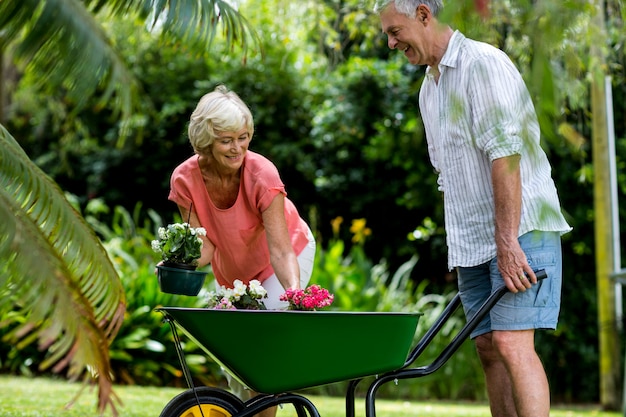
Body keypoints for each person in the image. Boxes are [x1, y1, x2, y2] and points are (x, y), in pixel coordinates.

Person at [374, 1, 572, 416]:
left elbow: (506, 156)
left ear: (424, 14)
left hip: (522, 231)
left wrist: (506, 241)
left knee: (511, 342)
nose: (390, 42)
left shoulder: (483, 64)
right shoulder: (430, 90)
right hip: (476, 242)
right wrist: (461, 248)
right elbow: (450, 174)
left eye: (395, 31)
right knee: (487, 347)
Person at [167, 85, 316, 417]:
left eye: (244, 137)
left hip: (284, 256)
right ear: (204, 141)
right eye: (226, 140)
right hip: (233, 271)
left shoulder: (262, 174)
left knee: (263, 353)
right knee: (237, 367)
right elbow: (203, 249)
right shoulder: (185, 180)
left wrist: (295, 295)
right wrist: (175, 258)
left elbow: (281, 249)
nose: (238, 148)